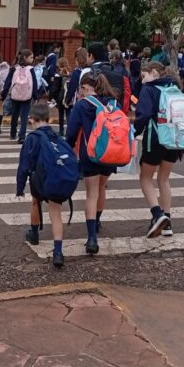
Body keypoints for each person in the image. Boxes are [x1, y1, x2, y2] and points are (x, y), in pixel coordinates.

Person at [66, 73, 119, 256]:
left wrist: (68, 148)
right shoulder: (112, 103)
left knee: (91, 193)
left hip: (90, 154)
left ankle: (91, 238)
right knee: (102, 188)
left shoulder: (82, 106)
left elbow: (71, 132)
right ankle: (97, 222)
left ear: (86, 88)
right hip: (111, 153)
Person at [16, 102, 72, 268]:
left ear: (32, 120)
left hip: (38, 181)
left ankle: (34, 233)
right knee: (56, 213)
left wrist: (19, 188)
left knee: (35, 202)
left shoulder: (32, 139)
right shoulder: (56, 137)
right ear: (49, 119)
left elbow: (24, 166)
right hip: (55, 179)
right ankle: (58, 251)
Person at [134, 62, 184, 238]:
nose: (142, 81)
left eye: (143, 76)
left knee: (145, 177)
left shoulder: (149, 89)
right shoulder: (175, 88)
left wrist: (135, 131)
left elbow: (144, 114)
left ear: (154, 72)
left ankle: (157, 214)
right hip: (174, 139)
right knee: (164, 179)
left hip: (155, 138)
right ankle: (168, 221)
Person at [2, 49, 38, 144]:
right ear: (25, 58)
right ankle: (22, 136)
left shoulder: (14, 68)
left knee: (14, 115)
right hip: (27, 96)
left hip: (15, 95)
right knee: (24, 116)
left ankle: (12, 133)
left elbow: (7, 82)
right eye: (31, 57)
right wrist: (36, 96)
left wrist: (3, 94)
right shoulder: (31, 69)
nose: (32, 59)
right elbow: (34, 84)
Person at [47, 56, 71, 135]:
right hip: (68, 96)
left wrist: (51, 97)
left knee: (61, 114)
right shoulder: (70, 73)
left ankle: (61, 130)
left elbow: (55, 89)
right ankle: (69, 130)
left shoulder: (58, 75)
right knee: (68, 114)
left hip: (60, 97)